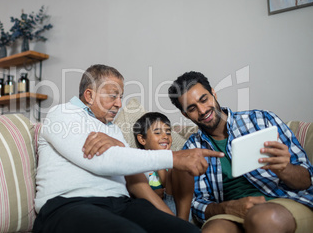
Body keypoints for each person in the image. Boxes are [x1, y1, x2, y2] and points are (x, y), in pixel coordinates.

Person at [33, 64, 223, 233]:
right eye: (113, 96)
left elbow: (133, 176)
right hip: (70, 205)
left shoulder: (113, 129)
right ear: (89, 95)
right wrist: (174, 157)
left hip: (122, 204)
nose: (119, 104)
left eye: (121, 97)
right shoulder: (63, 114)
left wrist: (170, 219)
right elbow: (101, 161)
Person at [168, 71, 313, 233]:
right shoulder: (191, 149)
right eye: (192, 108)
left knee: (261, 219)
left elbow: (307, 181)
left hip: (283, 202)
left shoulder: (262, 120)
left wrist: (285, 169)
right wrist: (225, 208)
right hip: (231, 213)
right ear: (185, 114)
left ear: (213, 93)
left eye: (204, 99)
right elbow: (197, 202)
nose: (202, 110)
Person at [133, 112, 193, 221]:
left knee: (182, 167)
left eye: (168, 132)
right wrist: (151, 195)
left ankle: (183, 224)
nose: (165, 136)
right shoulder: (138, 163)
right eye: (157, 132)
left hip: (177, 206)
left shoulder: (175, 160)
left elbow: (172, 186)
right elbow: (134, 191)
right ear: (142, 139)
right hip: (155, 207)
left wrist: (162, 158)